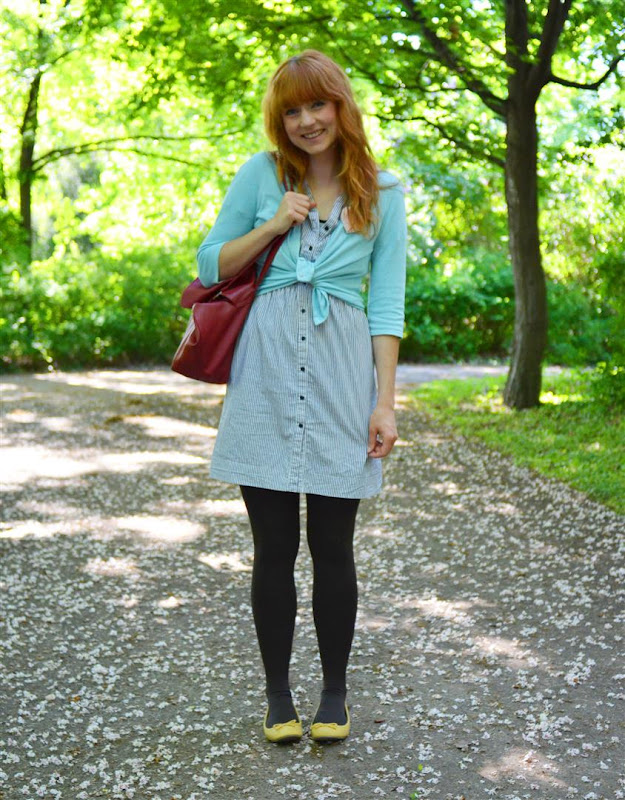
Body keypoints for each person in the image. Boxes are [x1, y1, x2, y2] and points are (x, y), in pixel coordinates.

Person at [196, 49, 407, 744]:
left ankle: (334, 694)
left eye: (318, 104)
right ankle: (278, 697)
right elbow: (209, 262)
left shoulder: (383, 191)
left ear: (341, 106)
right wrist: (272, 225)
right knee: (273, 547)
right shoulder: (262, 174)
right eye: (292, 110)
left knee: (333, 546)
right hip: (265, 375)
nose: (307, 120)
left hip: (343, 378)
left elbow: (387, 306)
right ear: (278, 120)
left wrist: (384, 403)